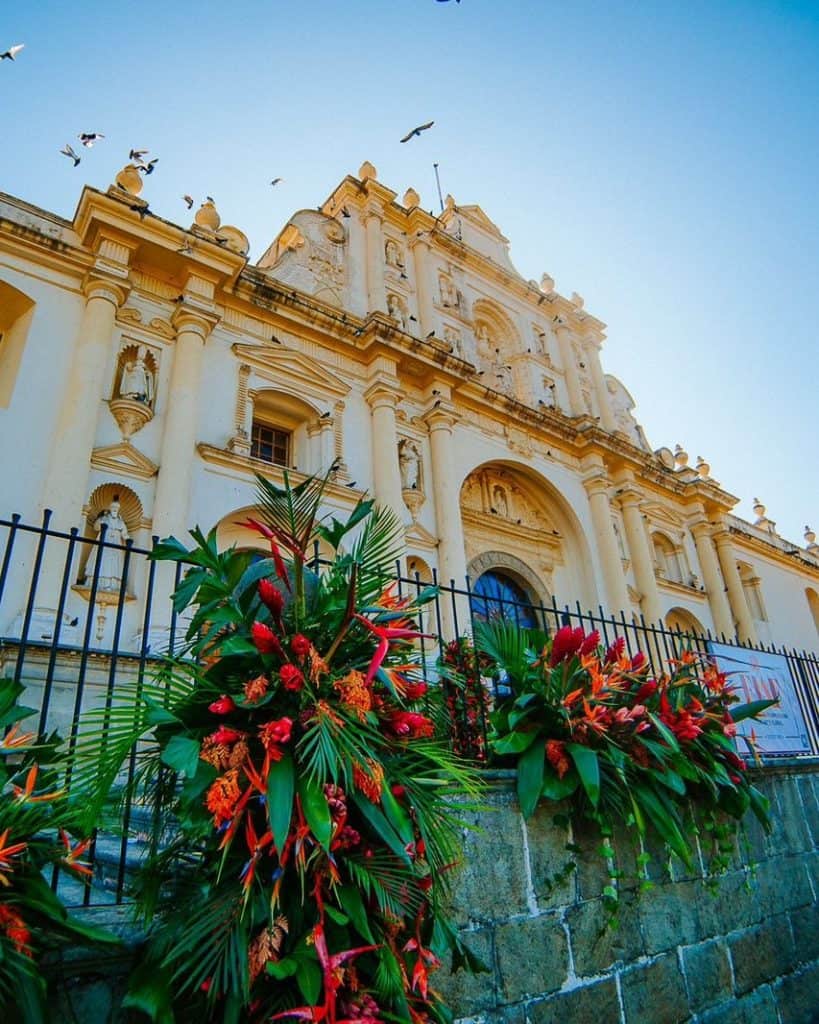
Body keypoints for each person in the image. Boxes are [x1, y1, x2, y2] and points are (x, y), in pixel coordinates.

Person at [85, 498, 129, 591]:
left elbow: (125, 534)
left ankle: (112, 584)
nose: (114, 509)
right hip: (104, 540)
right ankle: (96, 582)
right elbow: (96, 527)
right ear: (110, 508)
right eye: (113, 507)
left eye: (116, 508)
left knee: (113, 564)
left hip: (116, 544)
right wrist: (100, 520)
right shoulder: (104, 518)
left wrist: (127, 539)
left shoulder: (120, 522)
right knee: (101, 560)